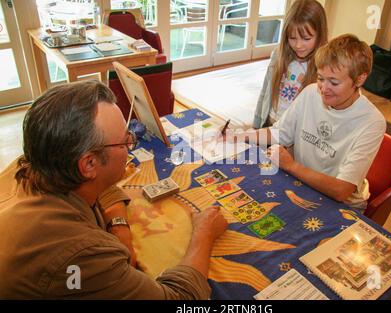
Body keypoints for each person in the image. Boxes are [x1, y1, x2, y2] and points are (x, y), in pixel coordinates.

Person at [0, 80, 228, 299]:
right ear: (89, 164)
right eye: (124, 142)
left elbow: (100, 187)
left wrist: (118, 226)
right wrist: (204, 232)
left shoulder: (38, 161)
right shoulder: (83, 254)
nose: (130, 144)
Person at [229, 34, 386, 209]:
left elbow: (341, 190)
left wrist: (291, 165)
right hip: (302, 184)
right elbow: (279, 133)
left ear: (359, 79)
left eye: (334, 82)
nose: (324, 89)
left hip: (341, 204)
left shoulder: (372, 122)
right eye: (320, 78)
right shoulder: (311, 92)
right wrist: (238, 136)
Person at [253, 0, 328, 129]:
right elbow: (265, 91)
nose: (298, 45)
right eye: (292, 38)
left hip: (293, 135)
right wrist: (256, 124)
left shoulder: (324, 66)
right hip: (269, 125)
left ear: (320, 34)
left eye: (306, 39)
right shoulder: (278, 55)